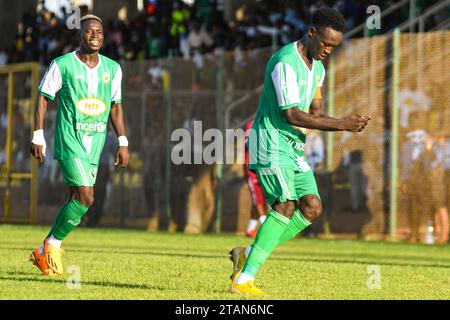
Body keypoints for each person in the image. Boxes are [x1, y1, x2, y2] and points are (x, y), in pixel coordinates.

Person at [228, 7, 371, 296]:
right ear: (312, 32)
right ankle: (242, 281)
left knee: (312, 207)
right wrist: (343, 124)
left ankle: (248, 254)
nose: (329, 50)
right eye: (326, 44)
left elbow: (314, 109)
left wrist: (340, 119)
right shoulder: (285, 62)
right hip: (269, 141)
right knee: (284, 206)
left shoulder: (318, 67)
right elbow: (293, 114)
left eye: (334, 46)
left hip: (292, 148)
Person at [29, 15, 130, 276]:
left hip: (95, 144)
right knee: (87, 196)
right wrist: (38, 134)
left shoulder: (113, 69)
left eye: (99, 31)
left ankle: (44, 251)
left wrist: (122, 141)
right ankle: (52, 246)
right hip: (69, 141)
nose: (95, 35)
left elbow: (116, 107)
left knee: (77, 199)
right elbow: (42, 98)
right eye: (89, 31)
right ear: (80, 35)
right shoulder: (62, 65)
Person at [243, 119, 267, 238]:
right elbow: (249, 143)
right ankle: (266, 228)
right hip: (252, 168)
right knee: (257, 198)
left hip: (265, 168)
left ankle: (250, 230)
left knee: (261, 199)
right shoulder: (252, 124)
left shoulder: (271, 123)